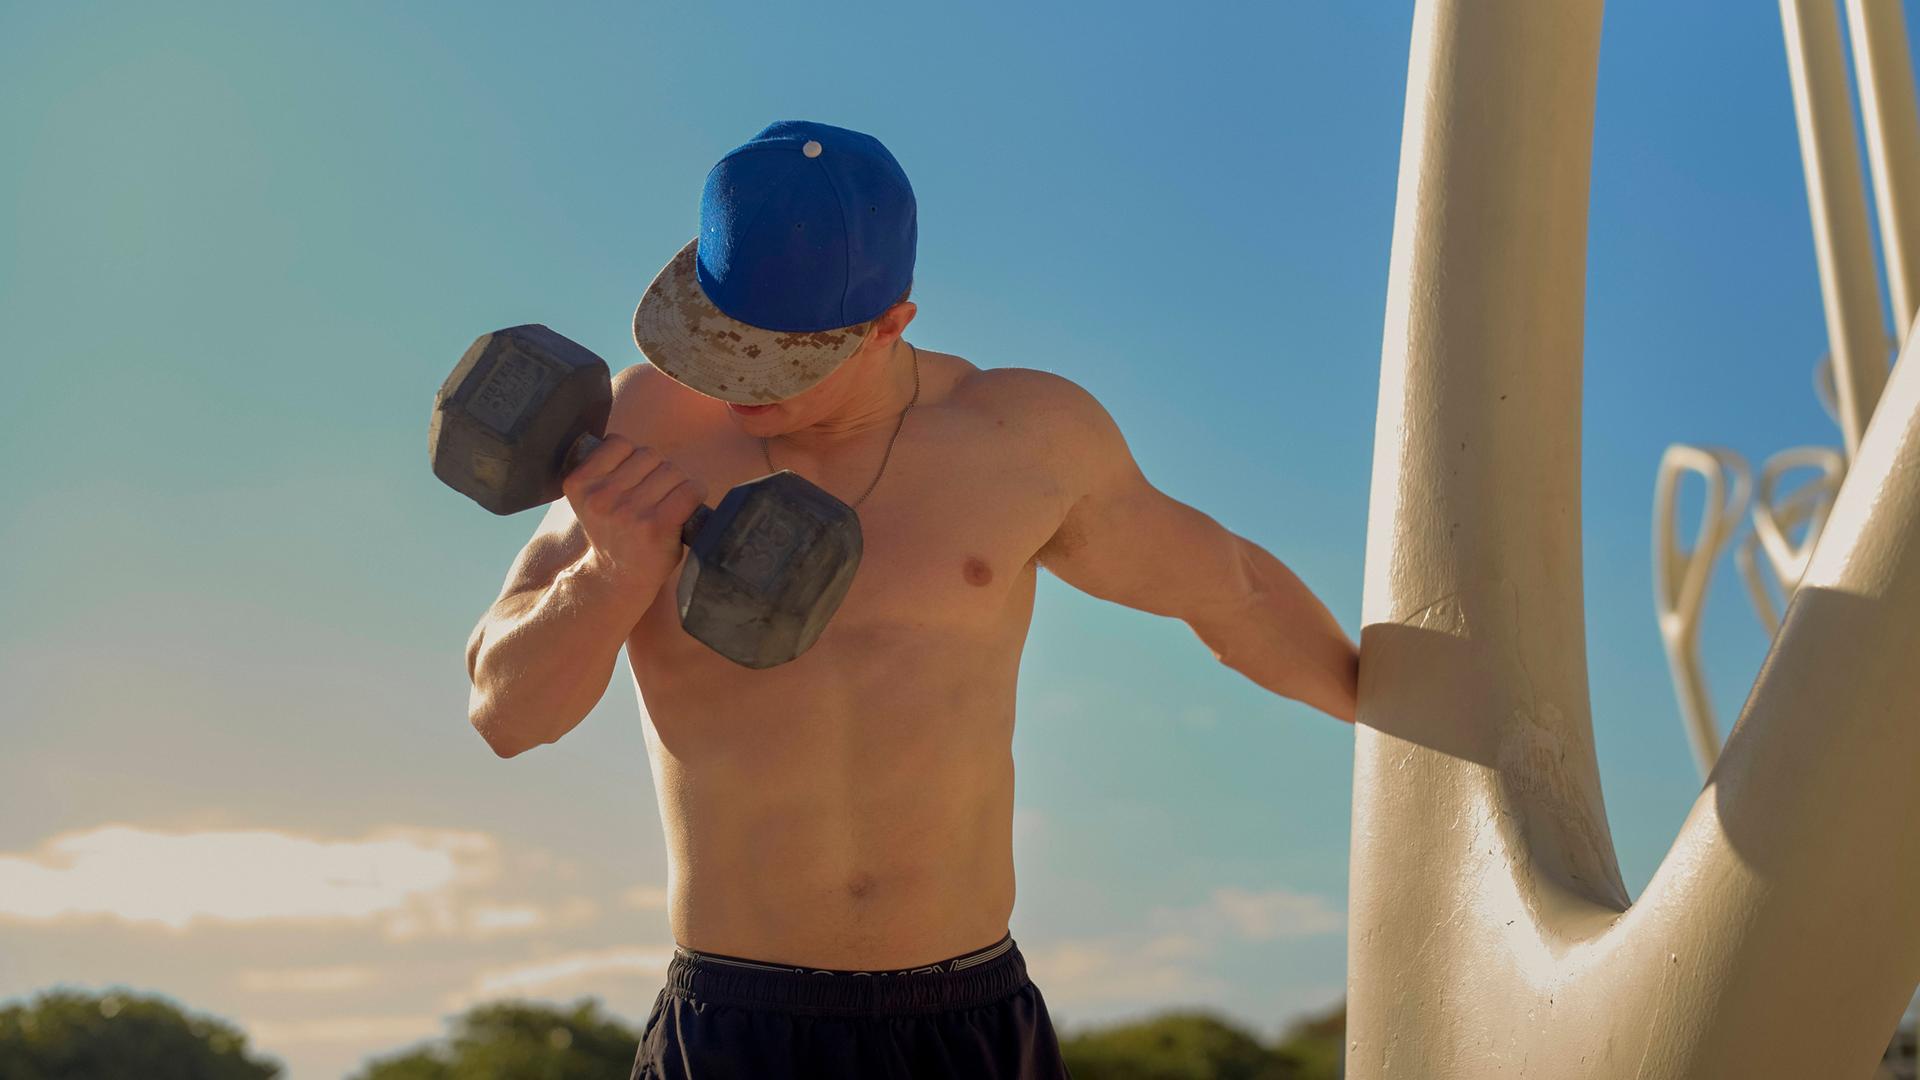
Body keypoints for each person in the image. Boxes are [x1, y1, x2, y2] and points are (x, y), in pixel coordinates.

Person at [463, 120, 1359, 1080]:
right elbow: (506, 715)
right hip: (735, 1022)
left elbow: (1233, 590)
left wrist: (1415, 726)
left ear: (892, 322)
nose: (736, 382)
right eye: (723, 338)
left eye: (779, 357)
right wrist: (609, 571)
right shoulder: (644, 429)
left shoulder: (1024, 440)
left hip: (964, 1023)